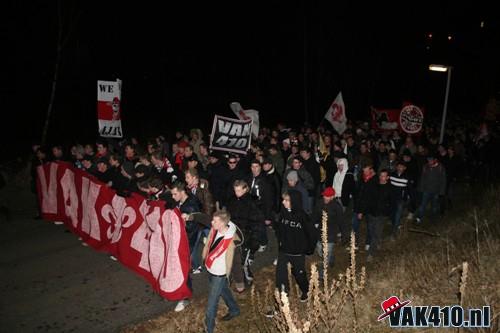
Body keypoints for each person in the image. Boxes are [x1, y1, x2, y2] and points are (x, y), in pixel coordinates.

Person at [202, 210, 241, 333]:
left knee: (211, 304)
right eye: (213, 220)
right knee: (224, 291)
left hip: (219, 274)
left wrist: (240, 282)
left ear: (223, 223)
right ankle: (234, 310)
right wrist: (190, 217)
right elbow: (202, 218)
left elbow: (236, 262)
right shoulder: (215, 229)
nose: (212, 222)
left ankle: (209, 329)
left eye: (215, 221)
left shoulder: (231, 239)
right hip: (210, 268)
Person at [274, 190, 317, 301]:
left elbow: (312, 234)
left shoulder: (303, 217)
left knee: (299, 274)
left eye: (287, 200)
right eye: (283, 200)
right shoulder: (283, 214)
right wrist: (280, 243)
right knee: (280, 276)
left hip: (297, 253)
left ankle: (306, 290)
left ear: (294, 201)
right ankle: (283, 298)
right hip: (284, 251)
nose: (283, 202)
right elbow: (279, 230)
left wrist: (308, 249)